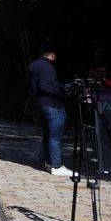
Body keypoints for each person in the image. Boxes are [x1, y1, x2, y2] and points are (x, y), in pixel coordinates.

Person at [29, 47, 70, 176]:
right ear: (52, 55)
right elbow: (46, 85)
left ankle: (48, 162)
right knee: (55, 136)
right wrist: (62, 92)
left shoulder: (33, 65)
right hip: (52, 104)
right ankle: (56, 165)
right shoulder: (48, 67)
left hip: (40, 104)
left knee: (47, 135)